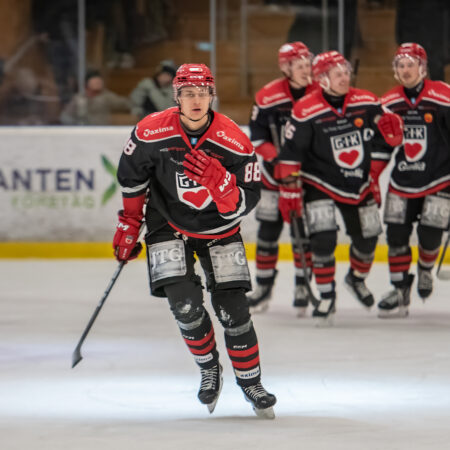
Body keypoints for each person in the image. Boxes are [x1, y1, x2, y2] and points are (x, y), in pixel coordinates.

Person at [112, 63, 277, 417]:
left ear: (212, 95)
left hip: (220, 228)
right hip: (167, 223)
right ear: (177, 96)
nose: (196, 100)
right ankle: (209, 369)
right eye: (188, 93)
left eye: (202, 93)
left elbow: (250, 197)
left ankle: (251, 382)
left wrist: (225, 189)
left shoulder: (233, 140)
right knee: (185, 306)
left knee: (234, 311)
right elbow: (132, 178)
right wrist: (129, 224)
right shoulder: (150, 131)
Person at [276, 50, 403, 325]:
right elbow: (290, 153)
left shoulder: (367, 101)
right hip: (319, 181)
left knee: (369, 238)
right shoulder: (306, 109)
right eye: (338, 74)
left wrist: (394, 133)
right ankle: (326, 296)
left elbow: (387, 133)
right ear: (322, 79)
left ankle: (355, 278)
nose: (345, 77)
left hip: (358, 182)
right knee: (322, 240)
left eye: (346, 72)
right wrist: (289, 190)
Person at [377, 43, 450, 318]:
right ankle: (399, 289)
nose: (406, 70)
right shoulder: (388, 103)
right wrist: (371, 178)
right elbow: (379, 147)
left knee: (430, 234)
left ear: (423, 67)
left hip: (440, 178)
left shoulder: (444, 95)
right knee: (395, 236)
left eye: (411, 64)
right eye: (401, 65)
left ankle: (425, 270)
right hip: (402, 181)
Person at [246, 42, 316, 315]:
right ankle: (263, 287)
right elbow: (258, 136)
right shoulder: (268, 96)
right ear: (286, 68)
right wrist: (278, 161)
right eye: (299, 66)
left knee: (304, 233)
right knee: (267, 232)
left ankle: (302, 286)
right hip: (273, 177)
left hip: (308, 176)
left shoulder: (320, 93)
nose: (306, 70)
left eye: (308, 65)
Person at [60, 70, 130, 125]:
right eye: (95, 82)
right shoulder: (79, 98)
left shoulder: (107, 96)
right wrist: (75, 124)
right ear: (87, 83)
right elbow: (65, 117)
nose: (98, 84)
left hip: (102, 130)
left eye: (99, 82)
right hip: (83, 130)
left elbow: (125, 104)